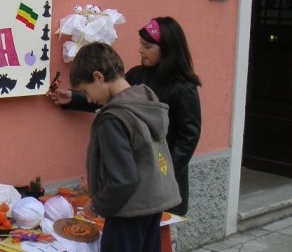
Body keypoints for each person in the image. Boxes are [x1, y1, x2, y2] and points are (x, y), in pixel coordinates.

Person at [69, 42, 181, 252]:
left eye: (86, 90)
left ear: (99, 76)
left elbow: (122, 179)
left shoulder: (113, 118)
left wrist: (96, 206)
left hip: (127, 211)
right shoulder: (144, 100)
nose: (88, 99)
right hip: (152, 206)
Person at [50, 16, 201, 216]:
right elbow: (112, 98)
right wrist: (75, 98)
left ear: (168, 50)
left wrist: (161, 171)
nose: (140, 50)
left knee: (161, 243)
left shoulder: (184, 88)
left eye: (147, 47)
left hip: (163, 185)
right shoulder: (138, 75)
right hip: (135, 190)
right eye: (141, 44)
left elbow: (188, 138)